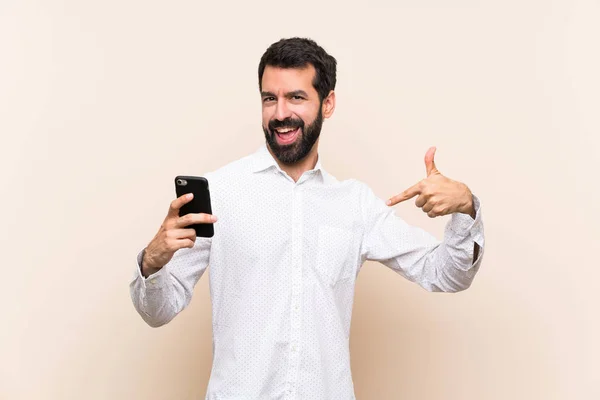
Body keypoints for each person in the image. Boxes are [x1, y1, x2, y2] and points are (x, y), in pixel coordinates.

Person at [129, 37, 485, 400]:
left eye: (296, 97)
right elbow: (158, 311)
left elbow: (445, 274)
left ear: (327, 103)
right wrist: (152, 262)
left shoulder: (354, 203)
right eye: (270, 98)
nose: (280, 113)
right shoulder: (219, 192)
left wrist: (465, 209)